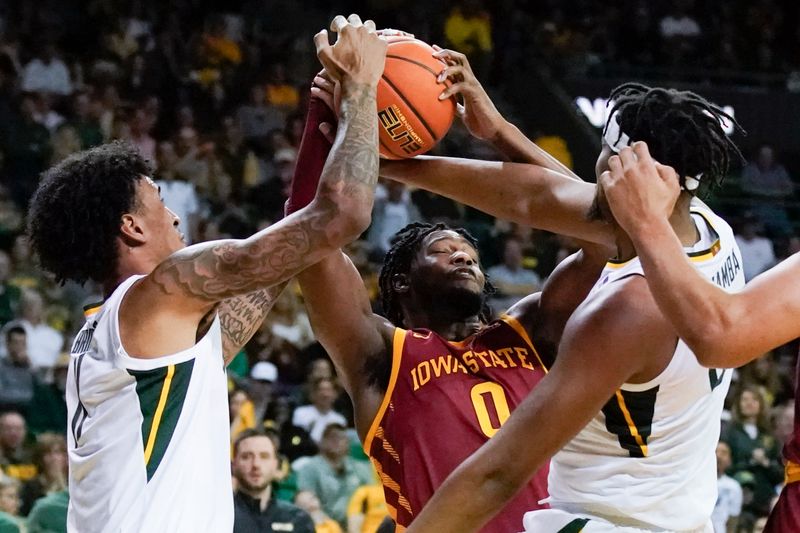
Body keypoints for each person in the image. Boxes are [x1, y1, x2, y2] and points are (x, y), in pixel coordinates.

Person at [25, 14, 386, 533]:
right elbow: (345, 215)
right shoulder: (163, 290)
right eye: (160, 203)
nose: (174, 216)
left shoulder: (142, 333)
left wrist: (317, 116)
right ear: (130, 226)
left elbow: (293, 245)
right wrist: (361, 89)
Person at [400, 84, 746, 532]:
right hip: (678, 519)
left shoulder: (627, 310)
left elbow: (498, 474)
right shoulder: (706, 227)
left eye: (604, 153)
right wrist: (490, 137)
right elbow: (540, 198)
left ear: (623, 170)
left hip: (608, 522)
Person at [294, 46, 609, 531]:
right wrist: (331, 120)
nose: (464, 255)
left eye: (470, 252)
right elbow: (307, 243)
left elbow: (603, 233)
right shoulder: (381, 354)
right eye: (442, 250)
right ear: (400, 280)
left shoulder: (530, 331)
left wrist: (499, 131)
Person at [594, 139, 800, 533]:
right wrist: (505, 134)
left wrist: (648, 222)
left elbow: (721, 337)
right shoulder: (713, 233)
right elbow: (553, 200)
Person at [232, 429, 315, 533]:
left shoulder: (298, 519)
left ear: (275, 464)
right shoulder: (221, 516)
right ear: (234, 464)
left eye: (264, 456)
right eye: (246, 457)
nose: (256, 464)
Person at [295, 424, 373, 528]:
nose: (336, 441)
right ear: (322, 442)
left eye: (341, 438)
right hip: (324, 523)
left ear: (348, 443)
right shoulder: (310, 468)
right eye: (331, 437)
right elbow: (305, 500)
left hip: (357, 522)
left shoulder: (360, 468)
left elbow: (373, 496)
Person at [292, 377, 348, 443]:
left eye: (328, 390)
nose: (325, 394)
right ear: (313, 394)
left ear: (335, 395)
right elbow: (296, 438)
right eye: (321, 390)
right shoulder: (300, 413)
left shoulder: (340, 420)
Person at [713, 441, 743, 533]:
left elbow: (733, 519)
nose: (718, 456)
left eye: (723, 453)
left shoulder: (733, 487)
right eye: (715, 451)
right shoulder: (695, 482)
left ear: (729, 460)